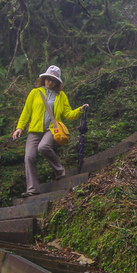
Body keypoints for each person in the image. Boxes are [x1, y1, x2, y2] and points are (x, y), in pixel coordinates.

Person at [12, 65, 88, 198]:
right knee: (29, 156)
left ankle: (59, 170)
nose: (50, 82)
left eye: (53, 80)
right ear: (44, 79)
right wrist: (20, 127)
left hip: (52, 129)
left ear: (57, 82)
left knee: (43, 147)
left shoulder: (61, 95)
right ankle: (32, 189)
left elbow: (68, 113)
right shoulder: (35, 93)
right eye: (48, 79)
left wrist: (80, 110)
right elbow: (26, 111)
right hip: (34, 130)